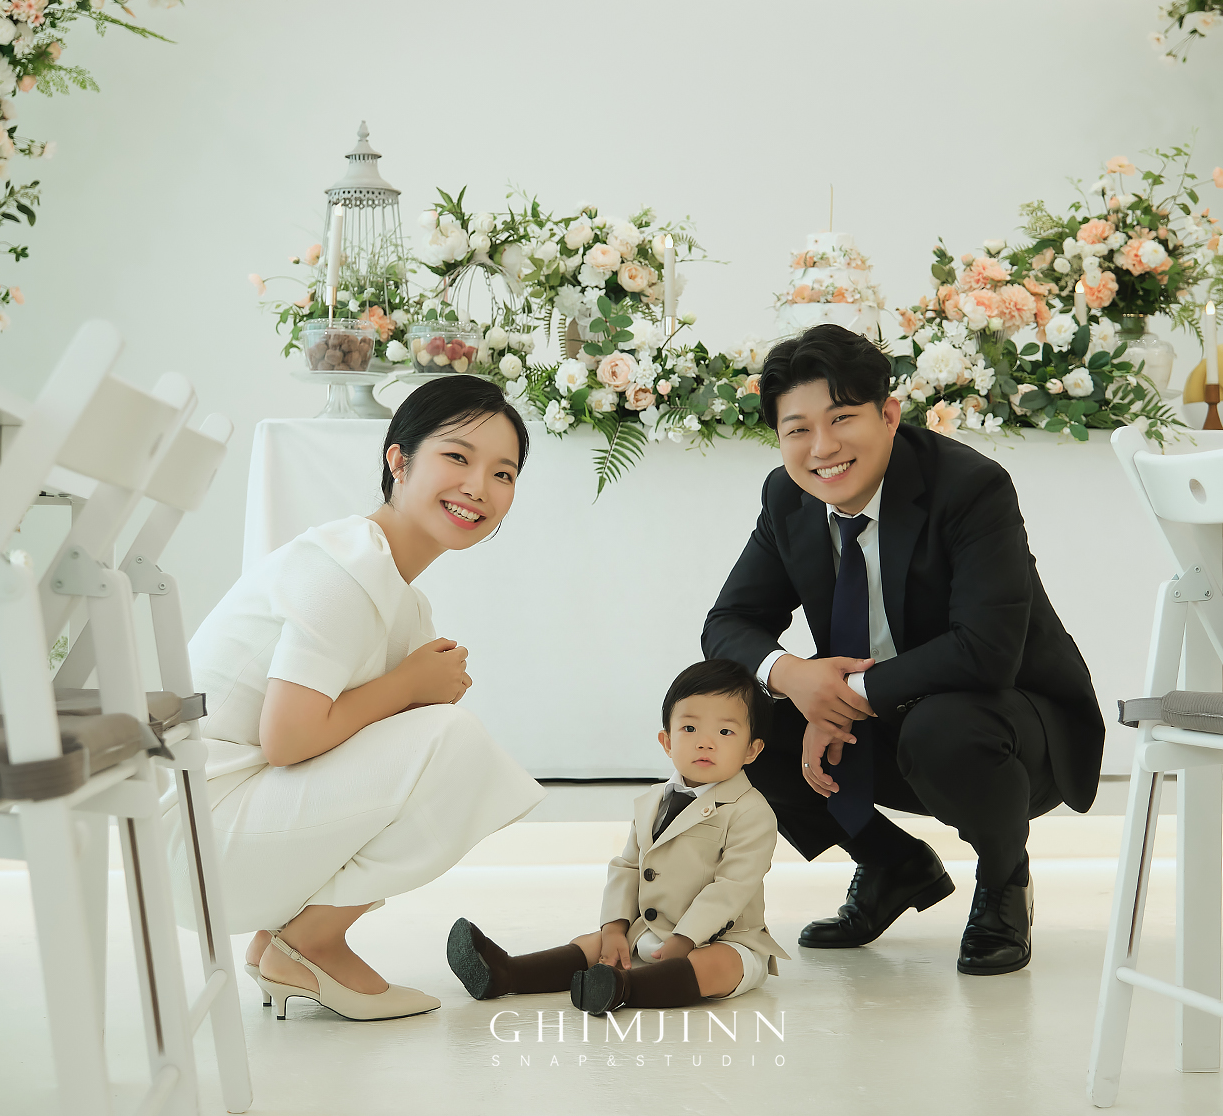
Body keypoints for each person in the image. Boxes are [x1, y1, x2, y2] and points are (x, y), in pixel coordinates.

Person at [701, 324, 1103, 975]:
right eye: (798, 429)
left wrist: (839, 697)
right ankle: (893, 865)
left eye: (842, 419)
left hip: (1010, 727)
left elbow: (986, 650)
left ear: (888, 415)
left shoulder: (970, 487)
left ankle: (1004, 879)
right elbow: (728, 624)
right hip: (891, 726)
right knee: (728, 715)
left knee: (944, 724)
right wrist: (795, 677)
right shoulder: (787, 496)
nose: (822, 448)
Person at [180, 375, 545, 1020]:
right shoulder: (345, 569)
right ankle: (310, 942)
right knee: (452, 742)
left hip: (216, 829)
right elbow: (288, 740)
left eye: (503, 473)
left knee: (439, 741)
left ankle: (285, 939)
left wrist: (417, 695)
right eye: (457, 457)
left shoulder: (392, 587)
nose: (479, 487)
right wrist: (410, 686)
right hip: (197, 840)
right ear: (398, 460)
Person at [445, 659, 791, 1014]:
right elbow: (627, 866)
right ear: (667, 741)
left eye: (725, 732)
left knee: (716, 966)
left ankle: (621, 988)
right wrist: (614, 927)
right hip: (651, 929)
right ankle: (507, 973)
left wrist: (686, 939)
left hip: (724, 938)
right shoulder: (653, 801)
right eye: (689, 728)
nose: (705, 743)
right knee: (596, 944)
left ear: (752, 749)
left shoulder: (751, 812)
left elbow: (730, 888)